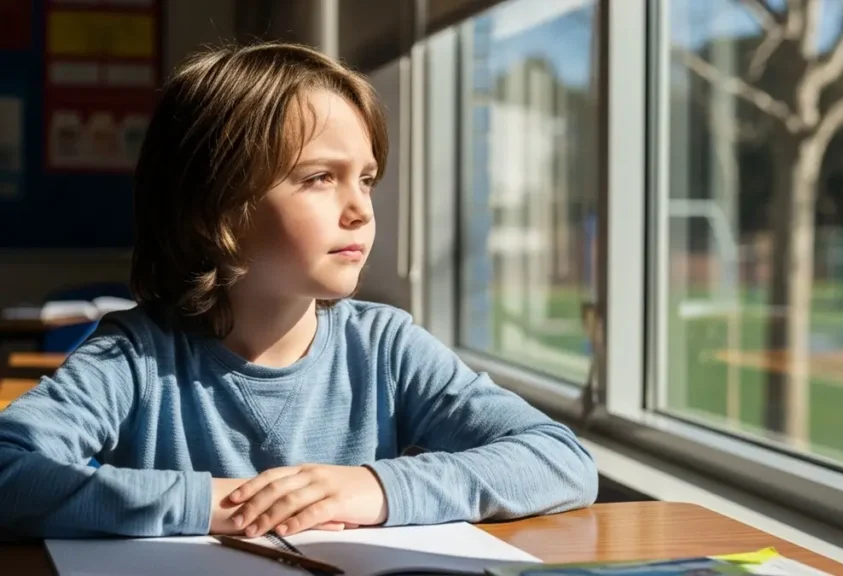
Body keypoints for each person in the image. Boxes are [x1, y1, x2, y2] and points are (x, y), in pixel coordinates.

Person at [0, 42, 597, 540]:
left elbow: (560, 459)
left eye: (365, 179)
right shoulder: (137, 357)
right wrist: (221, 505)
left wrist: (374, 487)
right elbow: (9, 471)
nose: (361, 209)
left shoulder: (385, 346)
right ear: (217, 210)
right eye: (319, 179)